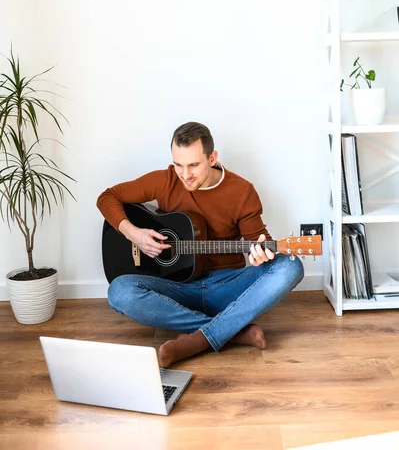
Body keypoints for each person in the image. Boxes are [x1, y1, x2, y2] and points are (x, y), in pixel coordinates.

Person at [97, 122, 304, 367]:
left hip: (226, 286)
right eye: (178, 165)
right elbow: (107, 197)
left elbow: (257, 241)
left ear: (212, 158)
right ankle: (232, 331)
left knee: (290, 266)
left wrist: (259, 255)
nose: (185, 174)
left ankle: (199, 339)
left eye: (194, 165)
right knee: (119, 291)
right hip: (175, 288)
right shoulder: (164, 180)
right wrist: (134, 234)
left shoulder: (242, 191)